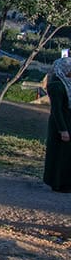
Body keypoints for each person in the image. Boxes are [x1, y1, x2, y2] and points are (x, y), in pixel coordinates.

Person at [43, 57, 71, 192]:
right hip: (61, 126)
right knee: (60, 155)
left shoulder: (67, 84)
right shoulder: (56, 85)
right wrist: (63, 130)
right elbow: (57, 109)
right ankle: (58, 184)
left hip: (68, 123)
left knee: (67, 156)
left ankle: (66, 183)